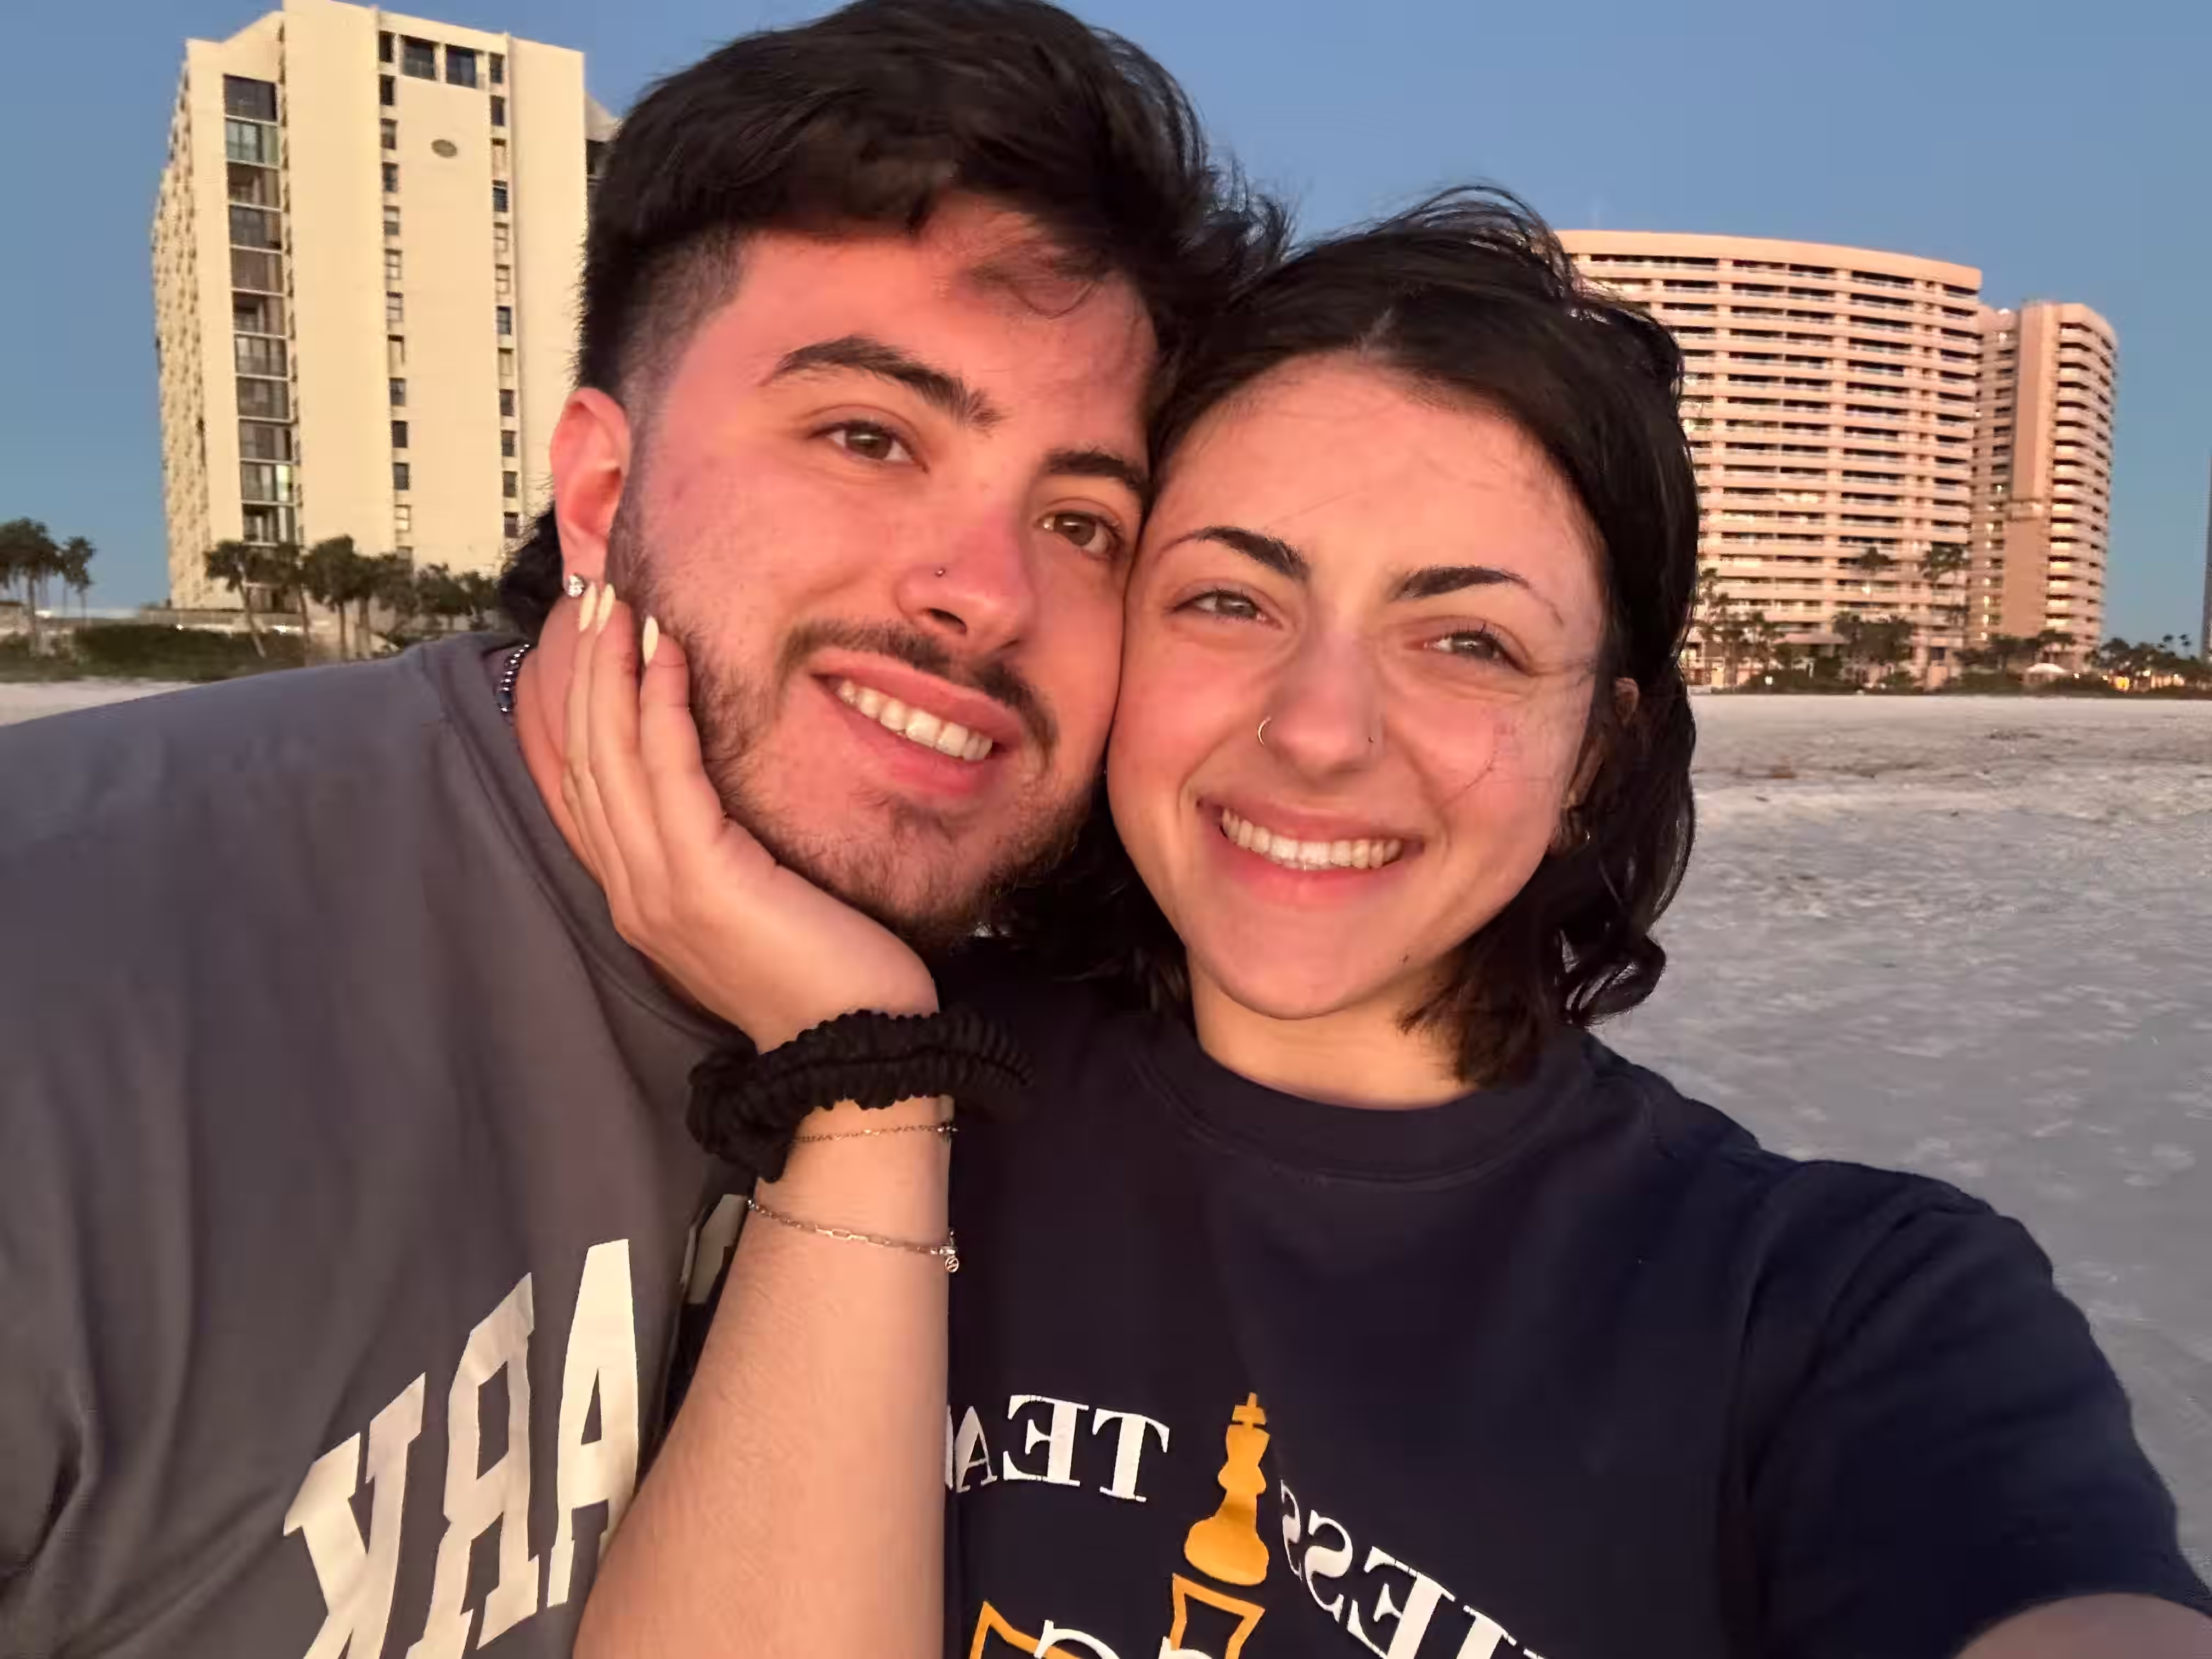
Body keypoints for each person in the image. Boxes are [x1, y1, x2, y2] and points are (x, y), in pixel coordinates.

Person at [565, 195, 2212, 1657]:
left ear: (1602, 752)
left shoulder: (1842, 1313)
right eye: (1231, 598)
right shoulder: (869, 1067)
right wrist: (867, 1081)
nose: (1322, 729)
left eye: (1470, 642)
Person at [0, 3, 1276, 1652]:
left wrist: (870, 1065)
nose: (985, 593)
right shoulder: (67, 975)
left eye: (1082, 519)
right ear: (598, 494)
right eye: (870, 437)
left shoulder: (1067, 1046)